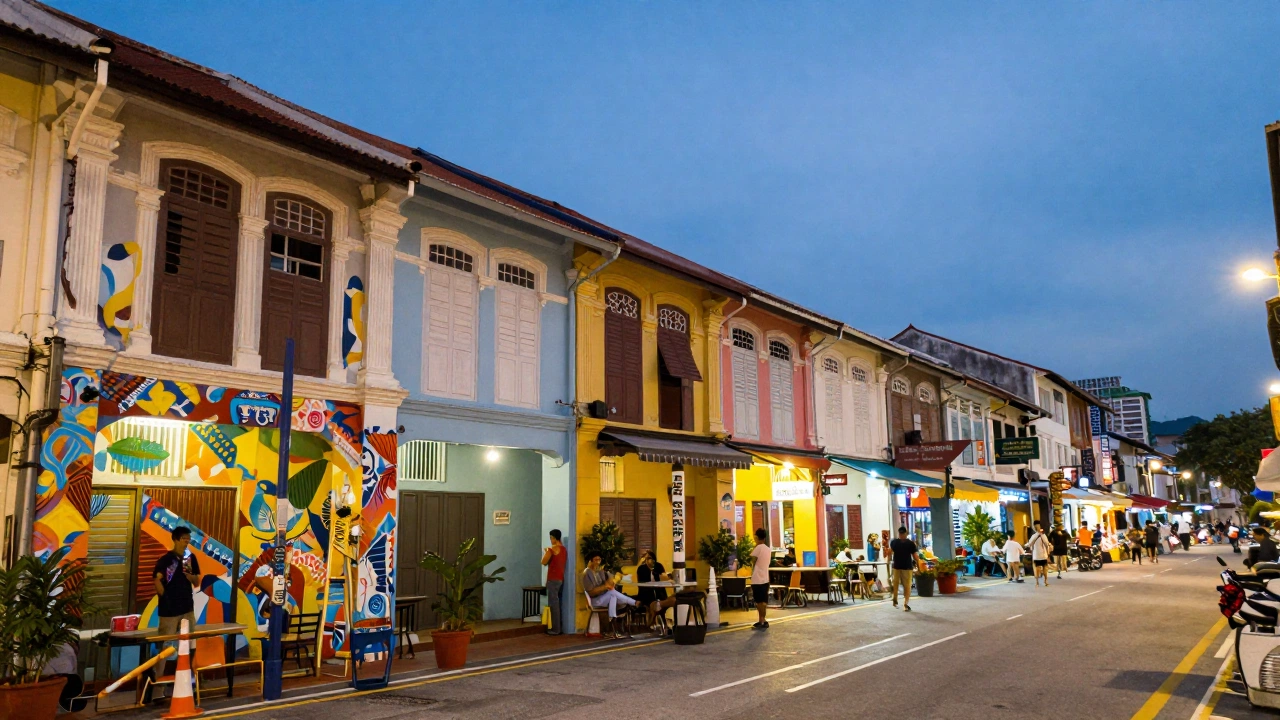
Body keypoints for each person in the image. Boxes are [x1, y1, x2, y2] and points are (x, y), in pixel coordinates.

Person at [154, 526, 203, 688]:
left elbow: (196, 582)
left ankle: (186, 676)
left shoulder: (189, 559)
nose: (186, 542)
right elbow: (157, 580)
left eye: (188, 539)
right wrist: (164, 597)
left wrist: (190, 576)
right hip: (169, 611)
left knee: (189, 643)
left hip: (187, 608)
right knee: (165, 645)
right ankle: (159, 683)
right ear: (175, 539)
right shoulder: (166, 560)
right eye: (183, 539)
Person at [582, 553, 637, 638]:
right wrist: (605, 587)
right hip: (595, 600)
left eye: (599, 560)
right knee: (613, 593)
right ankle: (633, 602)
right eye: (596, 560)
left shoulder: (599, 572)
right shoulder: (587, 573)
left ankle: (613, 626)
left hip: (603, 597)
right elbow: (591, 592)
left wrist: (609, 577)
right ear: (590, 561)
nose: (598, 562)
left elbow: (609, 584)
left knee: (613, 595)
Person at [635, 550, 678, 630]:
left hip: (659, 592)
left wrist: (665, 577)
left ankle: (654, 621)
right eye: (646, 558)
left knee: (665, 601)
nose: (648, 560)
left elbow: (664, 577)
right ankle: (653, 621)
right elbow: (641, 584)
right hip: (646, 593)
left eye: (650, 558)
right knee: (651, 604)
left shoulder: (658, 566)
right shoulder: (641, 568)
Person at [540, 529, 567, 635]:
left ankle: (556, 629)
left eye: (551, 538)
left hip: (552, 579)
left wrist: (547, 551)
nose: (550, 540)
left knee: (553, 604)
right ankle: (559, 627)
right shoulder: (564, 549)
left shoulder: (552, 549)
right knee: (558, 603)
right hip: (560, 579)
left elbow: (543, 561)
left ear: (554, 538)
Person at [888, 526, 919, 611]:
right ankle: (905, 604)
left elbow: (890, 552)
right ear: (906, 533)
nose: (901, 535)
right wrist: (919, 564)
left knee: (896, 584)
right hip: (906, 567)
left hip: (897, 567)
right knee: (907, 586)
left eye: (901, 533)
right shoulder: (910, 543)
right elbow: (915, 556)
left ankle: (895, 600)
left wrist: (888, 561)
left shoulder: (894, 542)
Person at [750, 527, 773, 629]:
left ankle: (762, 621)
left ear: (756, 537)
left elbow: (752, 561)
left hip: (757, 579)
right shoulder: (768, 549)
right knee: (763, 601)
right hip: (765, 578)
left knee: (758, 602)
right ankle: (762, 620)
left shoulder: (758, 548)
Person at [1028, 522, 1052, 587]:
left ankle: (1037, 582)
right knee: (1045, 568)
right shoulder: (1043, 535)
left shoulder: (1033, 536)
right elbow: (1047, 544)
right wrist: (1048, 553)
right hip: (1043, 555)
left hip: (1036, 555)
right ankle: (1045, 581)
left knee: (1036, 569)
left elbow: (1029, 544)